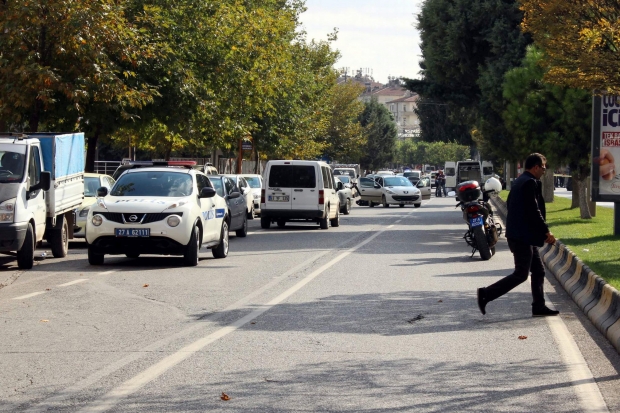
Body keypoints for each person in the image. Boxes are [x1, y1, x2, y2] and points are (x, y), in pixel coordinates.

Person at [477, 153, 559, 317]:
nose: (544, 170)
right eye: (543, 167)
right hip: (522, 237)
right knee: (521, 274)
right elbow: (533, 210)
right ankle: (486, 293)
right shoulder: (529, 182)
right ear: (535, 167)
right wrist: (545, 231)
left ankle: (539, 306)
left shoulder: (520, 181)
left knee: (538, 270)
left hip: (522, 235)